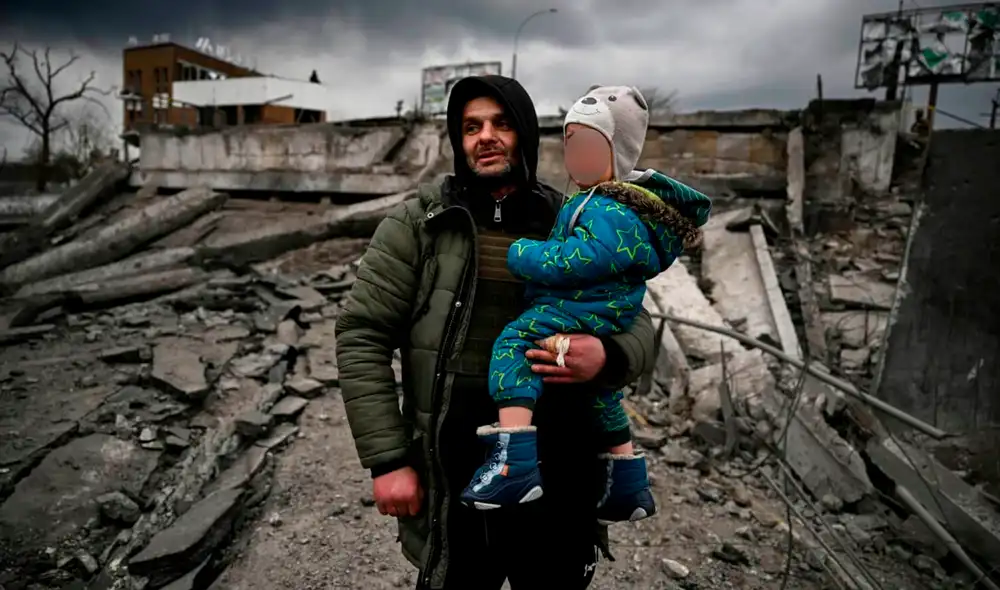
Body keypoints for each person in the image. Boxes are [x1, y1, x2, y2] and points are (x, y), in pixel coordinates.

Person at [335, 75, 657, 590]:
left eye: (501, 123)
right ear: (458, 140)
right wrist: (388, 459)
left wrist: (609, 356)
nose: (485, 136)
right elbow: (361, 335)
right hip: (456, 478)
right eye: (470, 126)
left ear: (525, 133)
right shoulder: (421, 223)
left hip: (561, 476)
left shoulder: (575, 217)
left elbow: (639, 324)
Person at [460, 85, 712, 525]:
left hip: (580, 308)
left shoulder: (603, 207)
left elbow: (584, 261)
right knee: (604, 398)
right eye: (570, 144)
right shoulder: (609, 204)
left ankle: (513, 461)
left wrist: (524, 255)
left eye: (501, 124)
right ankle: (628, 483)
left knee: (513, 344)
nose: (575, 157)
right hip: (601, 309)